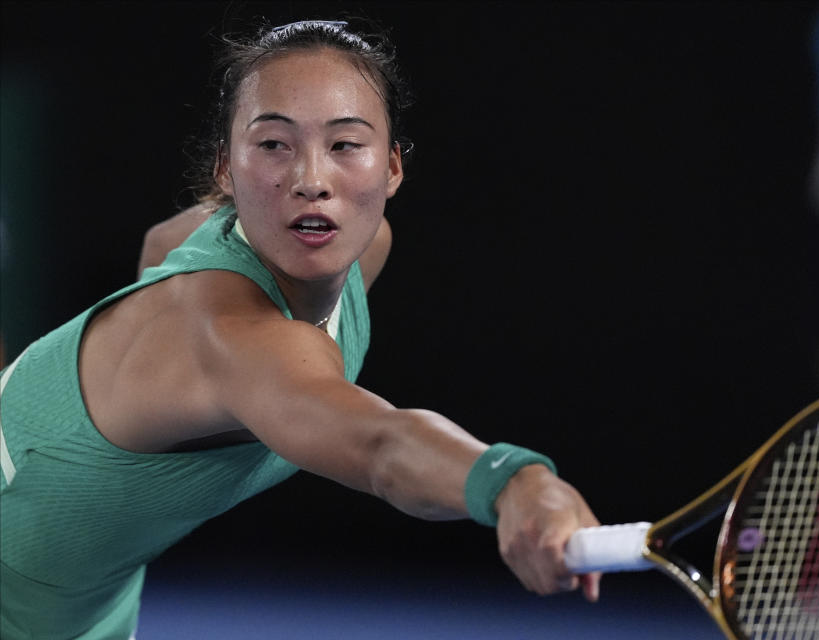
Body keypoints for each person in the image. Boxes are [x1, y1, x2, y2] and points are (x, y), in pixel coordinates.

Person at [0, 19, 601, 639]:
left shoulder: (352, 249)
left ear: (392, 167)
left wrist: (124, 395)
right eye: (273, 145)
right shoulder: (230, 332)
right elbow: (380, 446)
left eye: (345, 145)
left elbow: (162, 244)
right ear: (226, 169)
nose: (312, 180)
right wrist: (514, 482)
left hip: (80, 599)